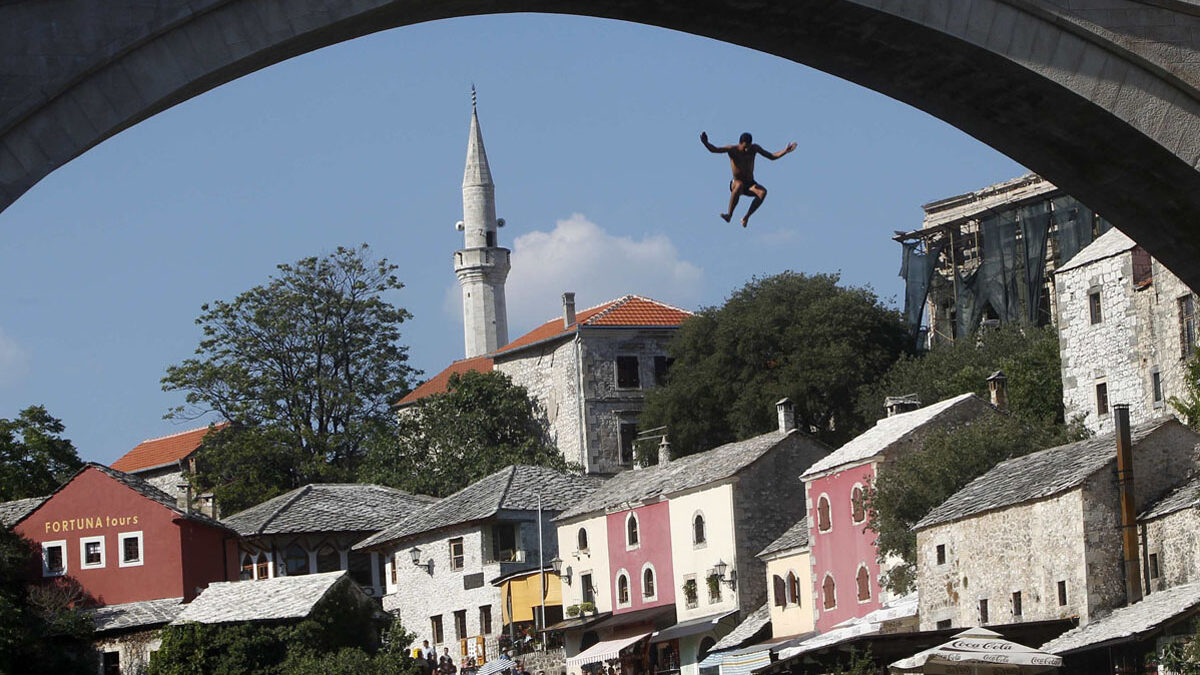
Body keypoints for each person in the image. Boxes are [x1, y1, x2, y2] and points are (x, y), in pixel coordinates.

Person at [700, 131, 797, 227]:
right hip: (736, 183)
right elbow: (715, 149)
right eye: (745, 147)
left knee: (763, 192)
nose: (747, 149)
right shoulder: (732, 149)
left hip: (750, 184)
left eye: (748, 147)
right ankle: (729, 215)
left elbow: (771, 156)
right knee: (739, 185)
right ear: (740, 143)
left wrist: (785, 151)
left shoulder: (754, 148)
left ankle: (746, 217)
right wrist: (706, 143)